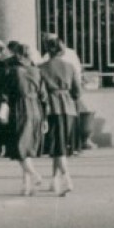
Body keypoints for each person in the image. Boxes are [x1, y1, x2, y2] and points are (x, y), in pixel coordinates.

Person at [0, 41, 48, 194]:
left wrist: (3, 107)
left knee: (19, 148)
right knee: (27, 148)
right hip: (36, 109)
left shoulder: (12, 71)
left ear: (18, 55)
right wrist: (45, 117)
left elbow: (5, 93)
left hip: (19, 109)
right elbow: (44, 96)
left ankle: (35, 175)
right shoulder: (37, 71)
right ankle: (26, 186)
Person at [38, 33, 79, 194]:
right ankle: (55, 180)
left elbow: (40, 91)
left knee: (57, 146)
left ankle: (67, 178)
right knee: (61, 145)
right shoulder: (70, 67)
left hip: (51, 106)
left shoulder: (41, 68)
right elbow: (77, 91)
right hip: (68, 107)